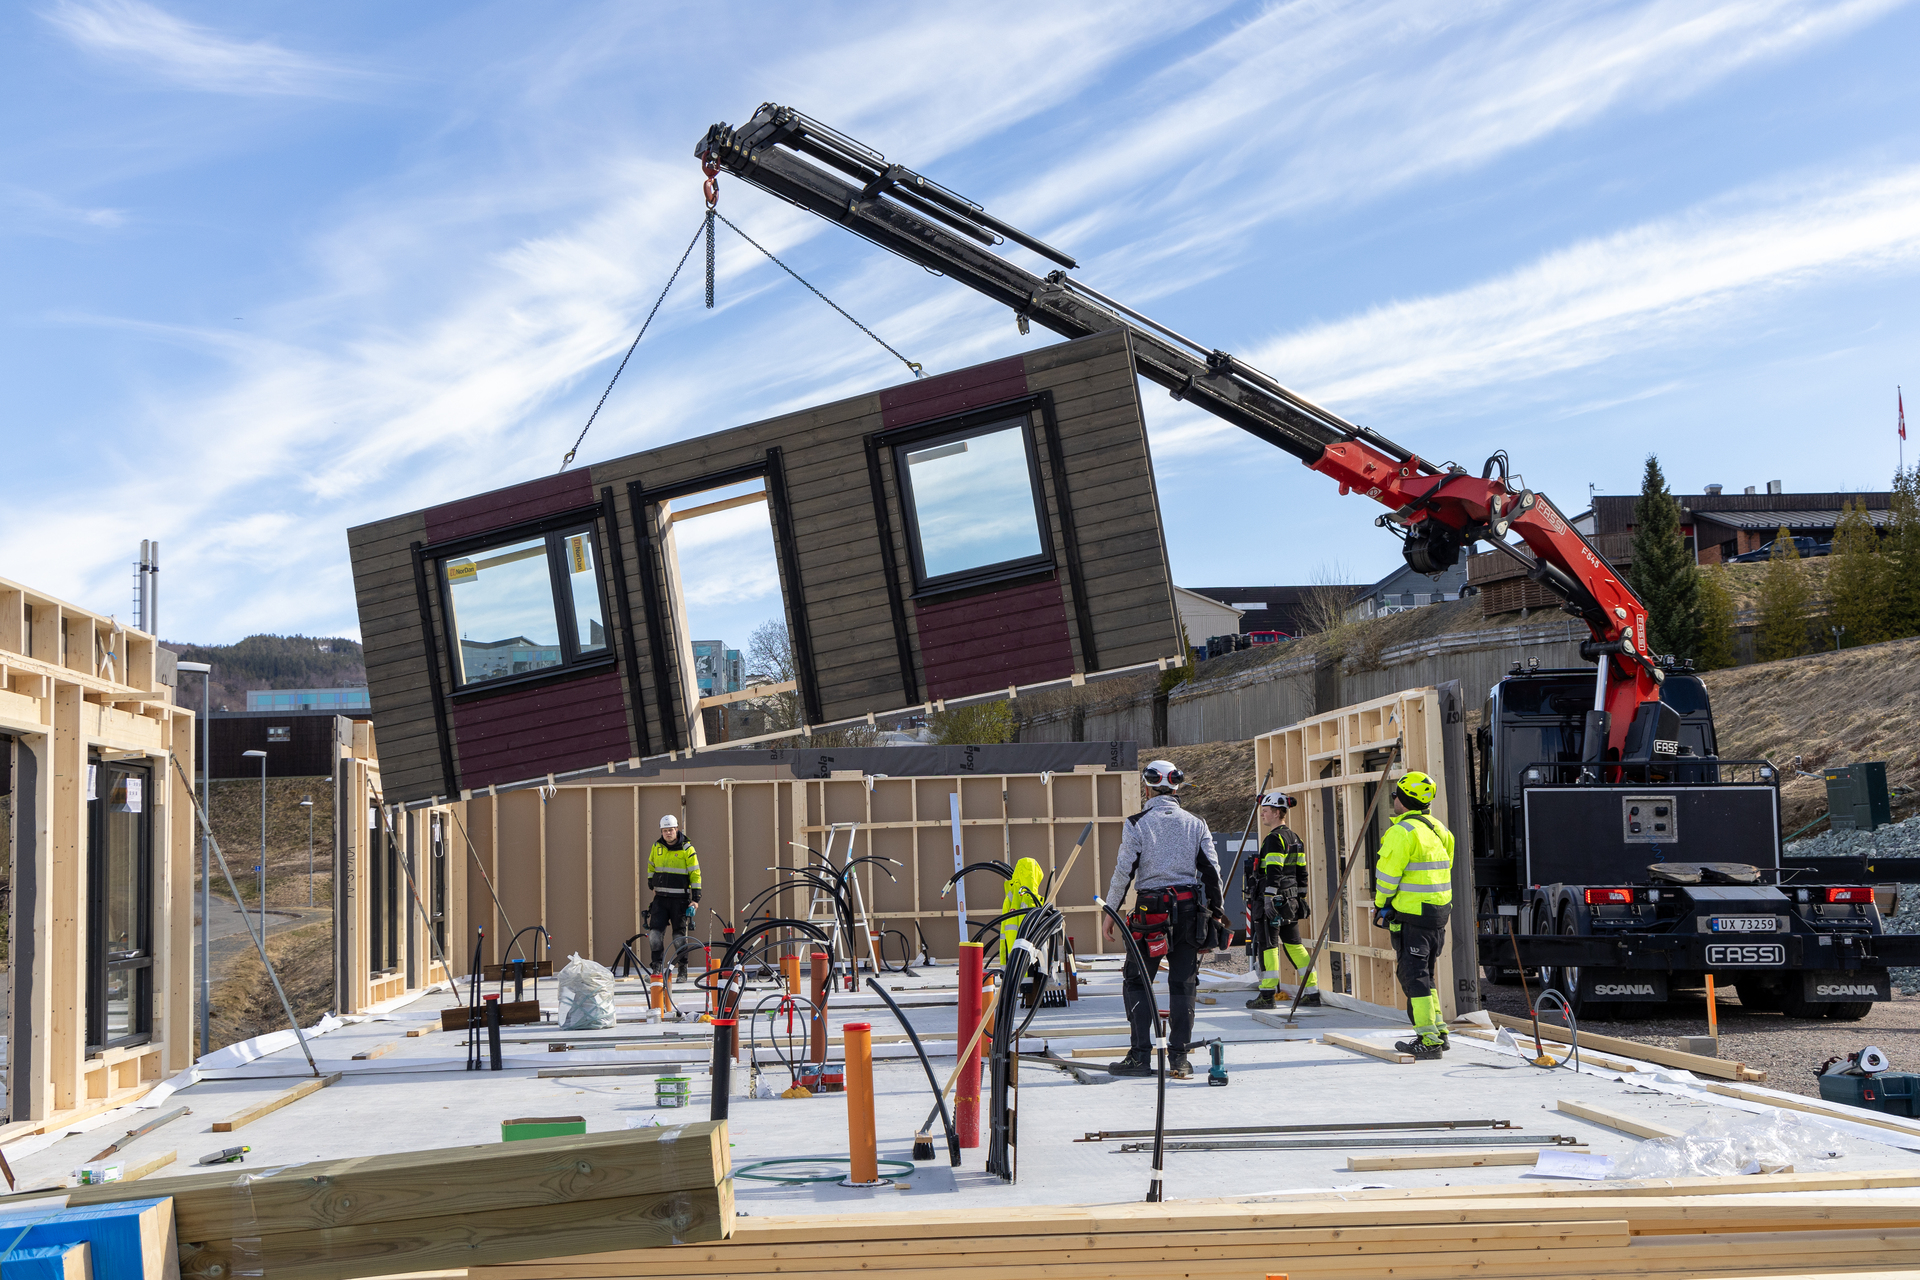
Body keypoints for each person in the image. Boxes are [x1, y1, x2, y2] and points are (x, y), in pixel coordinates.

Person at [1103, 759, 1224, 1080]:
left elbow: (1123, 872)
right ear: (1176, 787)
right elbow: (1212, 872)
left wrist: (1111, 911)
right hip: (1189, 912)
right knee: (1183, 983)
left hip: (1151, 915)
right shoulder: (1196, 823)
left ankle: (1140, 1057)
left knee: (1137, 979)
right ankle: (1179, 1059)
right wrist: (1217, 914)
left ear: (1147, 788)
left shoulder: (1137, 824)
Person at [1371, 771, 1454, 1059]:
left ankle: (1428, 1040)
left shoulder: (1401, 832)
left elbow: (1387, 877)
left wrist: (1381, 904)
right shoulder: (1440, 830)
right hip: (1438, 914)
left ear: (1403, 800)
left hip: (1412, 916)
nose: (1393, 799)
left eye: (1395, 795)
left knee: (1413, 976)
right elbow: (1445, 869)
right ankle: (1439, 1031)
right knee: (1425, 974)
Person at [1245, 790, 1319, 1010]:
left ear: (1277, 813)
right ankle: (1312, 993)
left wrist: (1268, 899)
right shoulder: (1296, 839)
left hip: (1272, 902)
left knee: (1268, 946)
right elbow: (1302, 872)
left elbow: (1274, 871)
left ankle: (1267, 995)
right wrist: (1300, 898)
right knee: (1295, 946)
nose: (1262, 815)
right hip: (1290, 902)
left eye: (1266, 811)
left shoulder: (1274, 839)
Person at [646, 814, 701, 980]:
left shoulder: (687, 849)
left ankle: (682, 969)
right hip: (660, 899)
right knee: (654, 934)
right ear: (661, 831)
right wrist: (651, 883)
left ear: (677, 829)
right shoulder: (657, 847)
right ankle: (656, 969)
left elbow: (695, 874)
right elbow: (651, 866)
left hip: (680, 900)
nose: (668, 833)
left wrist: (695, 898)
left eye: (670, 830)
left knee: (679, 937)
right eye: (665, 830)